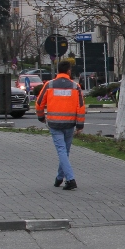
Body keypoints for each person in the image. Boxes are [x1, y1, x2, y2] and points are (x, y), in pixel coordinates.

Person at [35, 60, 87, 191]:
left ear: (58, 71)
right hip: (69, 124)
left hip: (54, 124)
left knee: (62, 151)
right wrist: (80, 125)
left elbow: (39, 103)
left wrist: (41, 117)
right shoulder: (75, 87)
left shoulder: (49, 85)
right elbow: (80, 107)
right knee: (65, 151)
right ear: (69, 71)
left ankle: (70, 179)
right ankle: (59, 178)